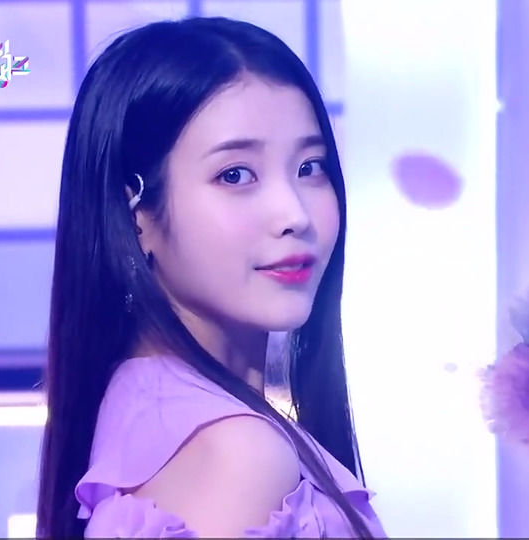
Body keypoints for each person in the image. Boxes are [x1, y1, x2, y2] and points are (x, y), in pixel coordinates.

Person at [35, 17, 386, 539]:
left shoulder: (140, 409)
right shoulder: (236, 454)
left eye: (310, 167)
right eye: (235, 174)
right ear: (138, 215)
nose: (294, 214)